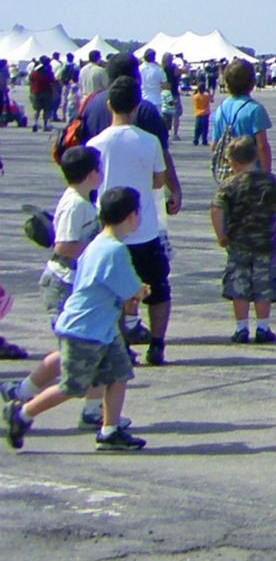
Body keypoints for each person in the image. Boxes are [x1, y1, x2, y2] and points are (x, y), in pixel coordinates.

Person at [7, 186, 149, 452]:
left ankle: (110, 430)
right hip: (86, 330)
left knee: (119, 375)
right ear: (130, 217)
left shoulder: (99, 242)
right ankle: (22, 413)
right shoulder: (115, 251)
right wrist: (140, 290)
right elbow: (129, 289)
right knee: (73, 386)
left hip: (102, 330)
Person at [4, 147, 108, 422]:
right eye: (99, 168)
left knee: (82, 350)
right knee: (83, 350)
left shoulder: (82, 201)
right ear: (91, 174)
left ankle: (21, 390)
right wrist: (97, 248)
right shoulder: (77, 205)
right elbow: (63, 246)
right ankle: (27, 401)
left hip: (71, 283)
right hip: (63, 284)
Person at [86, 77, 176, 364]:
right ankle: (157, 345)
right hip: (144, 227)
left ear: (110, 104)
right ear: (137, 106)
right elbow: (158, 181)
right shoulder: (149, 141)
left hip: (110, 231)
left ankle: (121, 345)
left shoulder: (95, 144)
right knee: (158, 289)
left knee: (114, 293)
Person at [209, 135, 276, 344]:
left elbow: (217, 210)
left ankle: (241, 328)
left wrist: (221, 235)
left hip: (238, 244)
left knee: (239, 286)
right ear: (255, 157)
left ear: (233, 162)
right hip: (265, 243)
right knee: (263, 286)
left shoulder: (228, 185)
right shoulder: (271, 181)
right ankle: (263, 327)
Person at [208, 58, 272, 179]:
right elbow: (262, 146)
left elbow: (214, 145)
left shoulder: (221, 109)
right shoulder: (255, 109)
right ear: (252, 82)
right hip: (252, 174)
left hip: (228, 173)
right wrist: (267, 174)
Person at [190, 81, 212, 146]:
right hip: (205, 113)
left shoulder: (195, 97)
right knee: (205, 128)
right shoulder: (206, 96)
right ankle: (204, 140)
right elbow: (211, 100)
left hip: (198, 113)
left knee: (197, 128)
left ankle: (195, 140)